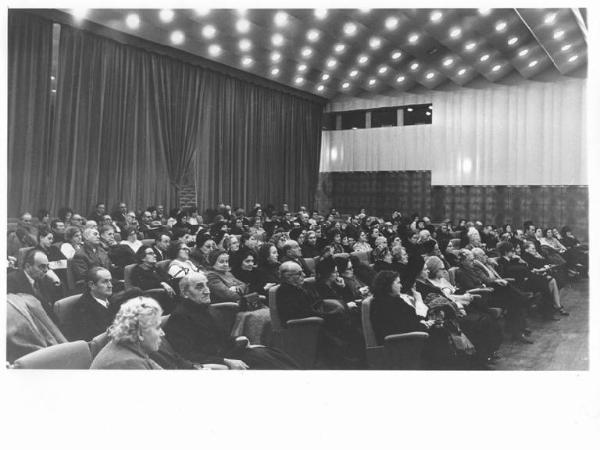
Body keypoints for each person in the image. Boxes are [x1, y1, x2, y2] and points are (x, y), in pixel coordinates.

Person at [163, 272, 299, 369]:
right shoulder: (180, 317)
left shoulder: (208, 309)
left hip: (230, 353)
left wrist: (242, 341)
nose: (207, 291)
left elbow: (221, 340)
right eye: (199, 287)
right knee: (268, 363)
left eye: (207, 285)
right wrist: (226, 361)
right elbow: (187, 354)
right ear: (185, 293)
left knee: (274, 354)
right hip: (217, 362)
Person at [276, 261, 364, 368]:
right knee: (347, 327)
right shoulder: (284, 292)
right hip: (309, 326)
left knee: (352, 321)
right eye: (299, 273)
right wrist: (327, 315)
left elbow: (318, 302)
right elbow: (299, 313)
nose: (304, 275)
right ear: (288, 276)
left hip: (320, 317)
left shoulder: (305, 286)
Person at [90, 296, 165, 369]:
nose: (162, 333)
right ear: (140, 333)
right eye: (157, 328)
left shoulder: (126, 348)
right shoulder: (130, 363)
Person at [370, 270, 433, 346]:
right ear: (388, 285)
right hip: (399, 344)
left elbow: (411, 319)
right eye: (398, 283)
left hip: (410, 336)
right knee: (439, 333)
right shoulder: (382, 304)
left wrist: (423, 323)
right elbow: (403, 327)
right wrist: (424, 325)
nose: (401, 286)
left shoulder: (396, 300)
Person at [62, 267, 117, 341]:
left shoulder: (114, 299)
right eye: (105, 282)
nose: (110, 285)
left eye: (110, 281)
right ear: (92, 285)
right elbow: (92, 341)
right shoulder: (82, 309)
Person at [7, 248, 63, 323]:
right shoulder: (11, 281)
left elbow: (52, 307)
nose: (46, 270)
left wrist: (57, 282)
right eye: (42, 266)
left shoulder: (45, 279)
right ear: (28, 266)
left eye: (47, 266)